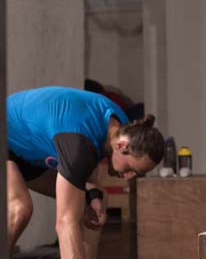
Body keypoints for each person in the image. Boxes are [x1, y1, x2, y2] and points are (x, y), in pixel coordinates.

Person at [6, 86, 165, 257]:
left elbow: (81, 174)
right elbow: (65, 222)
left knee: (94, 199)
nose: (129, 177)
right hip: (7, 140)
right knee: (19, 208)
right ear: (121, 145)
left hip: (27, 152)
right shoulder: (78, 145)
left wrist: (91, 196)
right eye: (131, 169)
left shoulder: (120, 126)